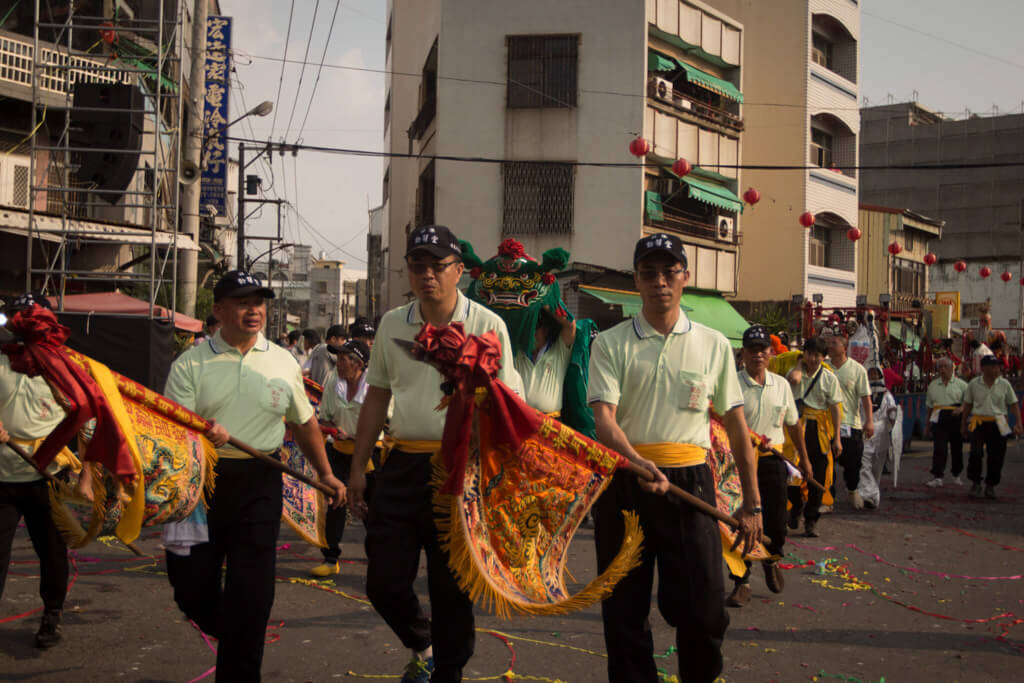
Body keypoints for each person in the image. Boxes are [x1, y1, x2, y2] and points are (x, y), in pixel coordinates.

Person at [348, 225, 523, 683]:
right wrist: (357, 469)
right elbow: (377, 398)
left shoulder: (488, 325)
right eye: (418, 265)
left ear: (459, 272)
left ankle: (449, 672)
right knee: (383, 581)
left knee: (451, 587)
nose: (427, 274)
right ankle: (420, 641)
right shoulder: (392, 324)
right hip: (402, 463)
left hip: (461, 469)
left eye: (438, 265)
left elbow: (511, 406)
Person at [588, 234, 762, 683]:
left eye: (669, 272)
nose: (659, 282)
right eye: (649, 272)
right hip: (626, 481)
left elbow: (738, 426)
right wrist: (637, 462)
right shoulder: (609, 343)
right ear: (636, 281)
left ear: (685, 277)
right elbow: (604, 420)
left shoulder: (713, 344)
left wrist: (752, 502)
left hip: (690, 483)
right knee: (624, 612)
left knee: (703, 611)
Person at [163, 271, 346, 682]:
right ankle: (236, 636)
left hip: (260, 480)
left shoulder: (282, 360)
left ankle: (241, 668)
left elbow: (304, 422)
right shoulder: (191, 362)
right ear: (219, 310)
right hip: (201, 483)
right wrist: (201, 432)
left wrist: (327, 473)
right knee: (190, 586)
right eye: (243, 302)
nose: (254, 310)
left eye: (260, 302)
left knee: (253, 593)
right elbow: (174, 427)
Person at [0, 294, 70, 649]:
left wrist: (88, 476)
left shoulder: (65, 366)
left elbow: (87, 420)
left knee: (52, 551)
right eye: (16, 317)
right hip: (2, 476)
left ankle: (52, 616)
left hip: (50, 477)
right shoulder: (0, 360)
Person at [726, 325, 811, 608]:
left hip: (773, 461)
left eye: (763, 350)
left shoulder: (782, 385)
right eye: (752, 349)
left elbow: (793, 425)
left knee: (775, 522)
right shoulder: (731, 385)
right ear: (743, 354)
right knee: (738, 523)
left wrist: (805, 459)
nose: (758, 355)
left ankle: (771, 559)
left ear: (771, 353)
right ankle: (742, 581)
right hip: (737, 462)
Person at [311, 339, 378, 578]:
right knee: (335, 500)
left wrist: (356, 435)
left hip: (370, 452)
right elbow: (325, 417)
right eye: (337, 359)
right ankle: (330, 559)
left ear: (358, 363)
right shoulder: (333, 383)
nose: (338, 363)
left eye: (342, 359)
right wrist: (334, 430)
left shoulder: (373, 384)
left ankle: (378, 556)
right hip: (339, 449)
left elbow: (386, 421)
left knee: (372, 505)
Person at [788, 337, 843, 537]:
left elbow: (836, 408)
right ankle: (795, 505)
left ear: (823, 357)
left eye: (817, 355)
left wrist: (837, 438)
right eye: (810, 354)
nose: (813, 358)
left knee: (817, 476)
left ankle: (811, 520)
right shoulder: (794, 374)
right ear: (804, 354)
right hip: (795, 427)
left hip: (818, 430)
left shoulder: (829, 378)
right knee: (791, 473)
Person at [960, 355, 1023, 499]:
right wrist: (963, 424)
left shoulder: (1004, 384)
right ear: (984, 368)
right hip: (979, 421)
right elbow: (968, 405)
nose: (998, 369)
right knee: (975, 453)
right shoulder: (973, 384)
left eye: (998, 367)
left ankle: (991, 485)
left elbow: (1013, 404)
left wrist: (1018, 423)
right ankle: (976, 483)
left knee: (997, 455)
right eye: (994, 367)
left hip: (1000, 422)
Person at [826, 335, 874, 509]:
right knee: (826, 465)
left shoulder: (857, 370)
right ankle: (828, 499)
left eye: (833, 343)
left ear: (844, 348)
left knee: (853, 464)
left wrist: (869, 421)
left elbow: (865, 398)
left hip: (850, 424)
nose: (829, 346)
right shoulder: (824, 368)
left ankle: (853, 490)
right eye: (828, 343)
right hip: (827, 425)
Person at [856, 367, 899, 508]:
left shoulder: (887, 394)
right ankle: (870, 493)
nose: (873, 376)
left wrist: (893, 418)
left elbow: (892, 412)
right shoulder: (861, 393)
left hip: (881, 433)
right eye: (870, 374)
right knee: (864, 463)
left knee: (877, 466)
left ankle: (870, 494)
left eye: (876, 374)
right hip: (865, 430)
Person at [924, 357, 968, 487]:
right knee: (939, 447)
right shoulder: (933, 385)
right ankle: (938, 476)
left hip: (955, 416)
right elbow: (930, 407)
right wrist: (927, 425)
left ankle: (956, 474)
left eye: (945, 367)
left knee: (957, 447)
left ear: (951, 368)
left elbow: (969, 402)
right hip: (939, 416)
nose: (942, 370)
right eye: (940, 367)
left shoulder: (961, 385)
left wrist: (961, 408)